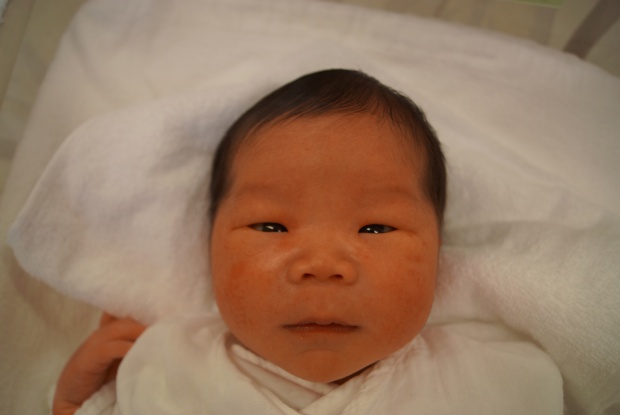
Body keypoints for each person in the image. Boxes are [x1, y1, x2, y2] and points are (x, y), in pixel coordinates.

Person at [53, 70, 562, 414]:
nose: (321, 264)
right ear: (208, 245)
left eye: (375, 228)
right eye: (270, 227)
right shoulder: (168, 367)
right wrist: (76, 406)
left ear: (439, 250)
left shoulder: (493, 383)